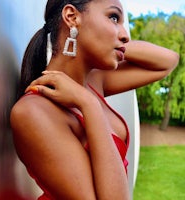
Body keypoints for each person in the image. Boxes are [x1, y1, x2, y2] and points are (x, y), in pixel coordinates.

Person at [10, 0, 179, 199]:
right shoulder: (33, 112)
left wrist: (114, 44)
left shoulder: (94, 81)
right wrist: (89, 104)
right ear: (72, 17)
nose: (125, 34)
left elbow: (168, 61)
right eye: (114, 17)